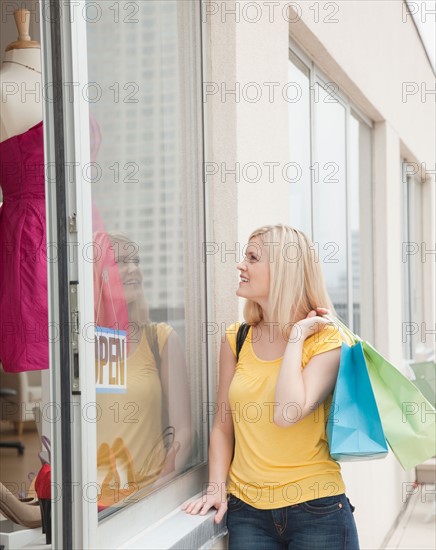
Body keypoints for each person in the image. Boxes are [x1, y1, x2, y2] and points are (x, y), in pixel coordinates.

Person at [183, 224, 359, 549]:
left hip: (317, 510)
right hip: (248, 514)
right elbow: (223, 427)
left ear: (283, 269)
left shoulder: (327, 340)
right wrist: (215, 487)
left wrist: (295, 338)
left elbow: (287, 413)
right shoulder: (237, 338)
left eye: (252, 258)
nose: (240, 265)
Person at [93, 231, 192, 511]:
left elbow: (183, 431)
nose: (134, 268)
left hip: (145, 500)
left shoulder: (160, 339)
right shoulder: (81, 346)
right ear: (97, 274)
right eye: (121, 262)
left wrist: (158, 488)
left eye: (136, 261)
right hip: (88, 507)